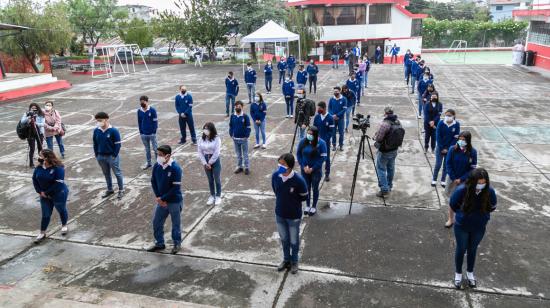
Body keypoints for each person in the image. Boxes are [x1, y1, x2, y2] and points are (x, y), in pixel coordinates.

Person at [450, 168, 497, 289]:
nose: (481, 185)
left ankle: (470, 272)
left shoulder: (489, 192)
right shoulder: (461, 190)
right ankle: (458, 273)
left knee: (472, 249)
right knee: (461, 249)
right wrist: (463, 216)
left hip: (479, 227)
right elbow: (453, 204)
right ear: (472, 181)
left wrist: (482, 217)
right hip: (462, 226)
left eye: (483, 182)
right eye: (478, 182)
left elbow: (493, 206)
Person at [271, 153, 308, 274]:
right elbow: (276, 191)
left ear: (290, 167)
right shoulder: (275, 176)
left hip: (293, 217)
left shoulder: (299, 181)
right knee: (284, 239)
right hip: (280, 214)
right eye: (279, 164)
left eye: (283, 165)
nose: (280, 166)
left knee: (293, 240)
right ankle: (286, 260)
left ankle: (294, 261)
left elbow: (304, 197)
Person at [147, 145, 183, 254]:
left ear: (168, 156)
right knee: (157, 222)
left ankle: (177, 243)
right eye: (157, 154)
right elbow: (153, 181)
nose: (158, 157)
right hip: (161, 201)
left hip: (174, 201)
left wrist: (162, 198)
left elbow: (175, 188)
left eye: (160, 155)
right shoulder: (157, 166)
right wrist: (158, 197)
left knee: (175, 224)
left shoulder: (175, 168)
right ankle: (159, 243)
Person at [32, 149, 69, 243]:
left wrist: (46, 192)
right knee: (45, 214)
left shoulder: (58, 168)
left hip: (58, 194)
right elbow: (34, 179)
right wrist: (40, 192)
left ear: (47, 158)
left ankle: (64, 225)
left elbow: (58, 184)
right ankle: (42, 232)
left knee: (61, 209)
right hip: (44, 195)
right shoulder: (39, 167)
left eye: (40, 156)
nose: (38, 157)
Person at [445, 131, 478, 228]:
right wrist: (454, 178)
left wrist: (462, 179)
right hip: (452, 179)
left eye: (463, 140)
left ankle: (460, 218)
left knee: (463, 200)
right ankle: (451, 219)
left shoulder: (472, 152)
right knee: (452, 199)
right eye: (460, 139)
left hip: (464, 181)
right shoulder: (452, 149)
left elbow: (472, 168)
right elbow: (448, 164)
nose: (461, 141)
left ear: (468, 141)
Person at [374, 105, 405, 198]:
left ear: (385, 113)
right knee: (391, 168)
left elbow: (379, 138)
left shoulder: (385, 124)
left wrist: (375, 137)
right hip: (394, 149)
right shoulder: (398, 122)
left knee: (381, 169)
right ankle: (389, 186)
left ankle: (384, 190)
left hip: (384, 150)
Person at [297, 126, 327, 216]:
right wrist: (303, 166)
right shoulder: (303, 141)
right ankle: (307, 205)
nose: (309, 135)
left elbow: (323, 157)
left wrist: (312, 168)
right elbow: (299, 154)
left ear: (315, 134)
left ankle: (313, 206)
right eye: (308, 133)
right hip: (304, 170)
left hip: (315, 171)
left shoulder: (321, 143)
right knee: (306, 187)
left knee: (315, 188)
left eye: (311, 134)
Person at [93, 112, 124, 199]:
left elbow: (118, 145)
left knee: (117, 173)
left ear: (106, 119)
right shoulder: (96, 130)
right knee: (106, 174)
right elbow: (95, 144)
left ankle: (121, 190)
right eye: (97, 120)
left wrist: (114, 155)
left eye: (100, 120)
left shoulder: (114, 131)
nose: (98, 122)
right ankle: (110, 189)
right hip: (101, 157)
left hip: (111, 156)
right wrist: (97, 155)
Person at [433, 109, 460, 187]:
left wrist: (448, 148)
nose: (448, 117)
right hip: (440, 148)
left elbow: (456, 137)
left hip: (449, 149)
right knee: (438, 164)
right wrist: (442, 148)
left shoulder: (456, 124)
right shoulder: (441, 123)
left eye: (449, 115)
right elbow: (438, 136)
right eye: (446, 115)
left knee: (446, 165)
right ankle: (434, 179)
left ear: (453, 116)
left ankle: (443, 180)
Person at [198, 122, 222, 206]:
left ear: (211, 130)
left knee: (217, 179)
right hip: (205, 160)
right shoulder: (201, 139)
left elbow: (217, 152)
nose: (205, 130)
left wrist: (210, 162)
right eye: (204, 128)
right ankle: (212, 195)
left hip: (215, 161)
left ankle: (218, 195)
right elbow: (200, 152)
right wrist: (205, 163)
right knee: (210, 180)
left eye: (207, 129)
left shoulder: (217, 138)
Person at [313, 101, 334, 182]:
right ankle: (317, 172)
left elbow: (331, 132)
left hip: (325, 143)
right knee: (316, 157)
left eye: (320, 108)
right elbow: (314, 128)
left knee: (326, 158)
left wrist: (324, 140)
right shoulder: (317, 117)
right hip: (316, 142)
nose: (318, 110)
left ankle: (327, 174)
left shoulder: (330, 118)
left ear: (324, 108)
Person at [229, 101, 251, 175]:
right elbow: (231, 126)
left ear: (242, 107)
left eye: (239, 106)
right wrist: (231, 134)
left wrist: (246, 136)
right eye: (236, 106)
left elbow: (248, 127)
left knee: (245, 154)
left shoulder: (245, 116)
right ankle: (240, 167)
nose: (237, 107)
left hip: (243, 139)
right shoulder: (232, 116)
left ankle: (247, 167)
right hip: (235, 139)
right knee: (238, 154)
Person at [137, 96, 158, 170]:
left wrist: (154, 132)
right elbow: (139, 122)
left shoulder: (152, 110)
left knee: (155, 149)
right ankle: (149, 163)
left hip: (152, 134)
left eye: (143, 101)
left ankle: (158, 164)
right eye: (141, 101)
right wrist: (141, 132)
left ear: (147, 101)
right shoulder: (139, 111)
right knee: (147, 149)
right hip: (144, 134)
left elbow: (155, 122)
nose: (142, 103)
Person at [21, 103, 45, 168]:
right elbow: (22, 121)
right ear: (30, 108)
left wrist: (35, 123)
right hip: (30, 133)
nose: (34, 109)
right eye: (32, 108)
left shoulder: (41, 114)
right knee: (32, 148)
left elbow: (43, 124)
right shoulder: (27, 113)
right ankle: (31, 163)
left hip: (39, 133)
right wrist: (28, 117)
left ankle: (41, 162)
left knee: (40, 147)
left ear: (38, 108)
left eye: (35, 108)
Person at [328, 87, 347, 151]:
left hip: (340, 119)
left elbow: (344, 109)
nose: (335, 92)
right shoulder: (331, 99)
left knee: (341, 133)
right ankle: (334, 145)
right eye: (334, 91)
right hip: (333, 119)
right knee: (333, 133)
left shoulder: (344, 99)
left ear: (339, 91)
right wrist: (332, 115)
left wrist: (337, 115)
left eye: (336, 91)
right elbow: (329, 108)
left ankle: (341, 145)